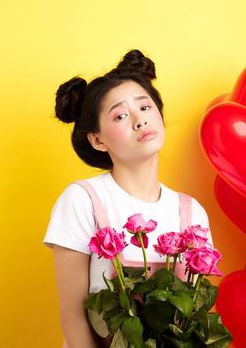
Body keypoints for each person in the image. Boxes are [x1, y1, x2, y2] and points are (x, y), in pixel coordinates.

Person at [43, 49, 213, 348]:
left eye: (145, 108)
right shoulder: (83, 200)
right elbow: (72, 316)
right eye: (120, 115)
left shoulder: (192, 213)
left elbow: (193, 318)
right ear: (97, 140)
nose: (139, 121)